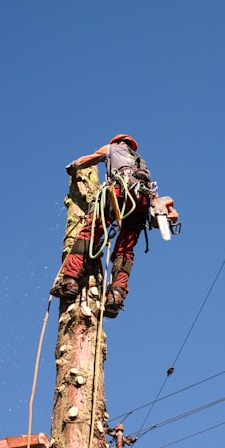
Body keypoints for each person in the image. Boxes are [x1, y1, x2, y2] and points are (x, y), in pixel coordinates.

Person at [51, 134, 154, 318]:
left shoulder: (111, 148)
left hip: (119, 192)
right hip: (141, 201)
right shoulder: (141, 162)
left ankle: (70, 281)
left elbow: (88, 160)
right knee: (125, 250)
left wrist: (74, 166)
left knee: (89, 233)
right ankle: (116, 295)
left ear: (117, 141)